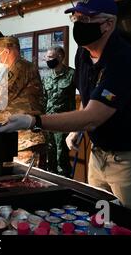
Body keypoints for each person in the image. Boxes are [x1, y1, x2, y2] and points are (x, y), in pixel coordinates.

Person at [0, 0, 131, 216]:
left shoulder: (125, 60)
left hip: (130, 159)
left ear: (108, 24)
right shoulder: (83, 54)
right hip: (98, 154)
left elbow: (92, 117)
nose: (79, 24)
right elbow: (90, 99)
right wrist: (76, 131)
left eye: (87, 19)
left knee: (129, 222)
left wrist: (33, 121)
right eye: (76, 18)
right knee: (97, 218)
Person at [0, 36, 46, 164]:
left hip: (27, 138)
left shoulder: (20, 66)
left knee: (23, 181)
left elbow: (1, 96)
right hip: (17, 137)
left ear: (6, 51)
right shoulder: (12, 69)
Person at [43, 46, 76, 177]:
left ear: (61, 57)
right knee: (49, 157)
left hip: (64, 123)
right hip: (48, 123)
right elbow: (43, 99)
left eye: (50, 57)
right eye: (46, 57)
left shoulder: (72, 74)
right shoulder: (46, 77)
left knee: (61, 158)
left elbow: (85, 96)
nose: (47, 60)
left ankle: (65, 185)